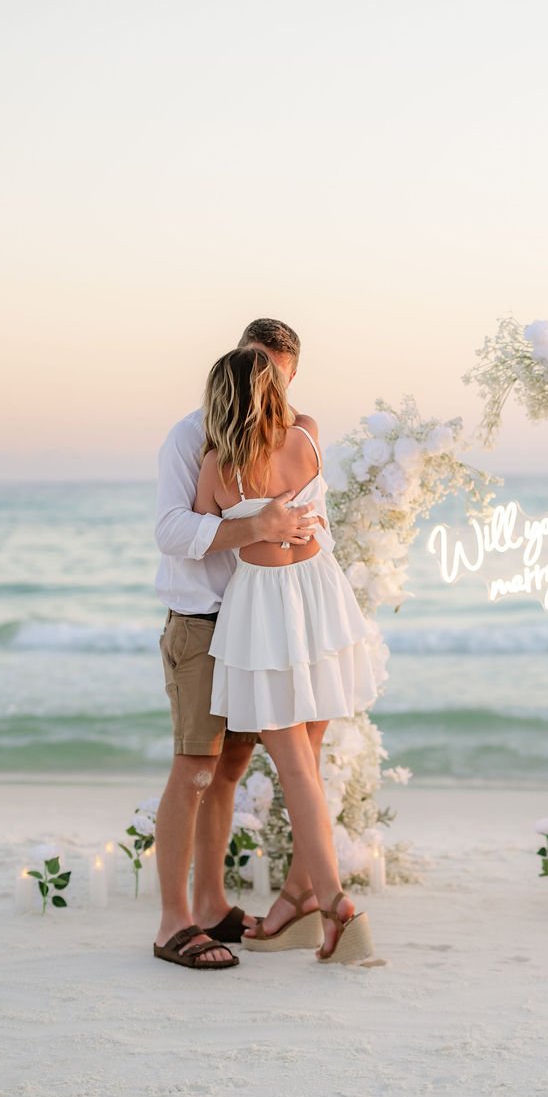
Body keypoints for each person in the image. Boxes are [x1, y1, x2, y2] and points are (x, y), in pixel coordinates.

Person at [195, 345, 387, 964]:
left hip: (267, 610)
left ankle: (333, 903)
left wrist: (250, 518)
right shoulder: (305, 440)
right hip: (321, 595)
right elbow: (317, 511)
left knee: (296, 769)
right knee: (311, 759)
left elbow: (202, 534)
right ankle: (300, 903)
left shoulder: (219, 466)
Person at [152, 318, 320, 971]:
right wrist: (254, 523)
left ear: (289, 374)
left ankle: (212, 904)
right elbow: (171, 529)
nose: (260, 380)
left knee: (229, 770)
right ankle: (173, 923)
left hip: (257, 626)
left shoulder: (289, 439)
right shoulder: (190, 436)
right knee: (194, 767)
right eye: (252, 364)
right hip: (200, 621)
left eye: (273, 371)